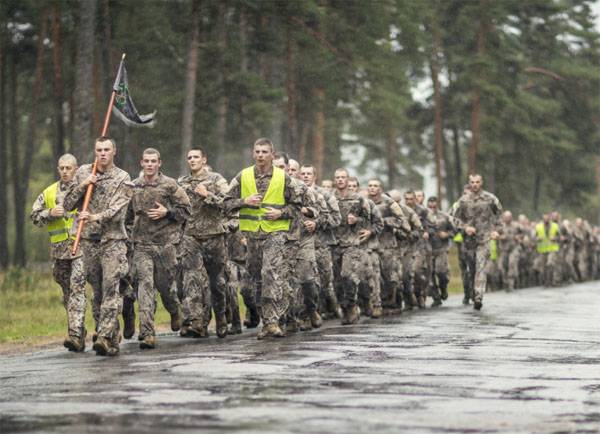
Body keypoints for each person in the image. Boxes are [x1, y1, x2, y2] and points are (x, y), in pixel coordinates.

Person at [226, 138, 304, 339]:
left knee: (271, 272)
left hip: (275, 234)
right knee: (255, 279)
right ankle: (266, 317)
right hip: (252, 236)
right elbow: (225, 203)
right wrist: (244, 201)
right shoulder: (243, 176)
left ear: (272, 154)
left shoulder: (284, 178)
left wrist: (280, 213)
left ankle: (271, 322)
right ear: (253, 153)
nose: (260, 155)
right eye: (257, 151)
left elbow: (297, 207)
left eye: (264, 152)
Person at [63, 137, 133, 356]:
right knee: (98, 292)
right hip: (88, 241)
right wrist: (83, 185)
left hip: (113, 240)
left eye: (106, 150)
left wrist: (94, 217)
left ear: (114, 152)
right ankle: (109, 335)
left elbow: (117, 210)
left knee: (111, 287)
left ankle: (103, 335)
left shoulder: (123, 178)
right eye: (99, 150)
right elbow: (67, 204)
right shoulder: (84, 172)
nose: (102, 153)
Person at [126, 148, 190, 349]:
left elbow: (187, 211)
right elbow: (126, 215)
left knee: (165, 287)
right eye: (146, 161)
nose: (150, 164)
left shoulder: (170, 185)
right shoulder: (133, 186)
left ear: (159, 163)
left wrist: (167, 212)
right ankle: (147, 333)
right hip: (142, 245)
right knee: (144, 288)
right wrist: (129, 237)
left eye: (153, 161)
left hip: (165, 245)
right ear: (141, 163)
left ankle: (174, 309)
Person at [31, 153, 87, 352]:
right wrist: (49, 213)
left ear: (76, 168)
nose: (65, 171)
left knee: (78, 289)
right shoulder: (49, 192)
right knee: (67, 293)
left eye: (68, 168)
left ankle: (75, 334)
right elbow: (34, 216)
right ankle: (79, 328)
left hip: (80, 248)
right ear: (58, 170)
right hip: (59, 252)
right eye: (62, 168)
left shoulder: (85, 189)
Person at [178, 148, 231, 339]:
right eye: (189, 157)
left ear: (204, 159)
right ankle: (197, 321)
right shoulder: (182, 182)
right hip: (191, 236)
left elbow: (228, 203)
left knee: (217, 282)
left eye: (196, 157)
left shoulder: (217, 179)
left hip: (214, 236)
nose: (192, 160)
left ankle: (221, 317)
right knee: (192, 279)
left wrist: (207, 194)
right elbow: (177, 207)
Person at [452, 174, 502, 310]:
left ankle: (478, 296)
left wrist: (497, 230)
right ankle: (474, 293)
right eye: (472, 182)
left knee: (480, 267)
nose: (475, 184)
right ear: (469, 183)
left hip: (484, 239)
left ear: (482, 182)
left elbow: (499, 216)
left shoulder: (490, 199)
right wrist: (465, 227)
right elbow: (454, 219)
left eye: (477, 182)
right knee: (472, 269)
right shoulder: (463, 200)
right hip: (468, 241)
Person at [300, 165, 342, 320]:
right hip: (301, 244)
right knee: (307, 281)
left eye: (308, 174)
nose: (305, 176)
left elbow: (336, 219)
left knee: (324, 282)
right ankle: (310, 313)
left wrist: (317, 223)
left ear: (314, 176)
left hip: (320, 245)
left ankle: (332, 304)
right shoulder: (295, 193)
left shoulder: (324, 195)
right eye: (302, 174)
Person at [332, 169, 371, 324]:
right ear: (334, 180)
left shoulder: (358, 199)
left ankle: (352, 305)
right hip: (334, 244)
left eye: (343, 177)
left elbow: (368, 221)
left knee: (347, 275)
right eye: (337, 178)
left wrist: (357, 221)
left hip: (352, 244)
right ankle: (345, 307)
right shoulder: (329, 198)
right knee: (336, 280)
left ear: (348, 180)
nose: (340, 180)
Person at [367, 179, 410, 314]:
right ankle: (378, 304)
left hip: (388, 245)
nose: (372, 188)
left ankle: (395, 300)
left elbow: (402, 220)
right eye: (370, 186)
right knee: (373, 275)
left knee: (390, 277)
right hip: (371, 244)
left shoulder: (389, 203)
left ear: (380, 188)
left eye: (375, 186)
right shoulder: (364, 201)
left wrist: (385, 221)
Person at [426, 196, 456, 306]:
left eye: (434, 206)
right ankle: (436, 297)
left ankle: (443, 288)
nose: (432, 208)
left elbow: (455, 230)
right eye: (430, 206)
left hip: (441, 249)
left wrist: (447, 234)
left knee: (441, 271)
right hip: (428, 249)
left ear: (437, 205)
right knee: (430, 274)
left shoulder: (445, 217)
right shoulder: (423, 216)